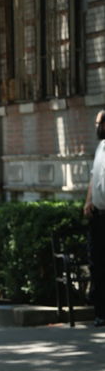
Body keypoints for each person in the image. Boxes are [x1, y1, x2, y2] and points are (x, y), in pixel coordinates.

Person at [84, 109, 105, 328]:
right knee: (97, 264)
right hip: (98, 215)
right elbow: (93, 178)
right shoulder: (100, 148)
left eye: (98, 124)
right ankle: (100, 312)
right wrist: (88, 201)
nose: (96, 128)